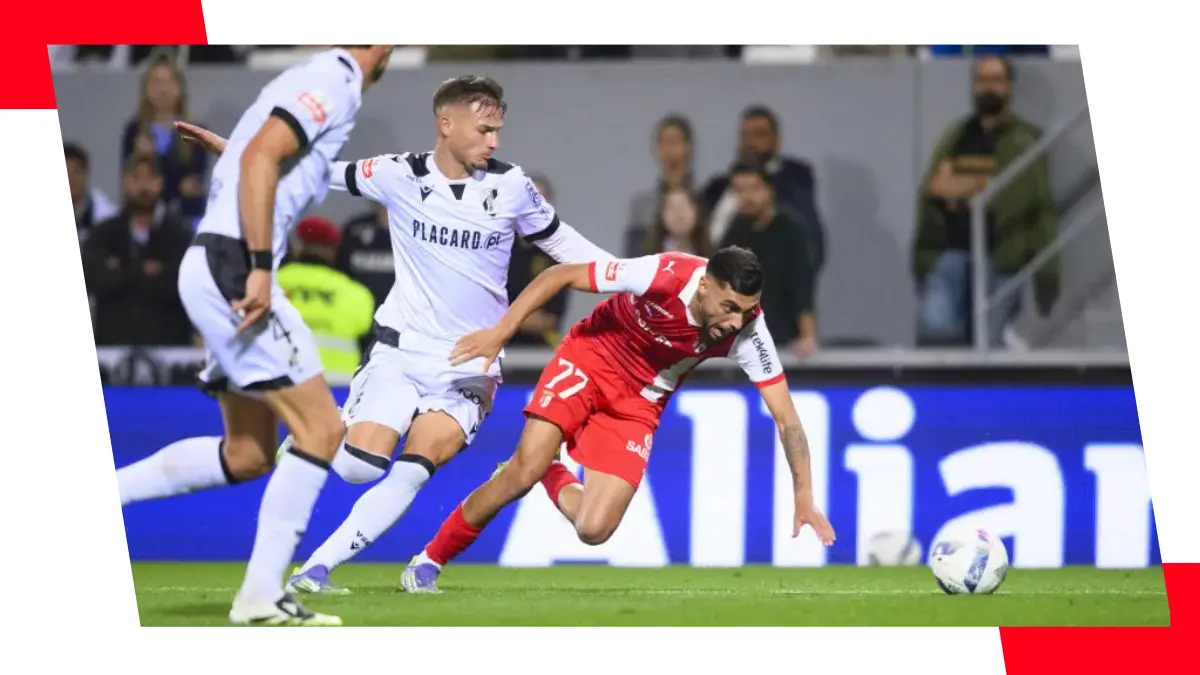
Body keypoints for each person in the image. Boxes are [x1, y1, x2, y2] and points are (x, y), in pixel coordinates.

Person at [176, 75, 614, 595]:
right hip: (400, 350)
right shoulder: (395, 174)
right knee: (360, 469)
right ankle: (309, 434)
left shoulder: (512, 186)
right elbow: (310, 169)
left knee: (413, 470)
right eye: (484, 129)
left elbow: (566, 245)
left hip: (468, 365)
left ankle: (316, 569)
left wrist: (640, 276)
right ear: (446, 124)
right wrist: (236, 150)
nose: (494, 140)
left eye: (498, 129)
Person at [113, 45, 395, 626]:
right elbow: (265, 155)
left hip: (216, 262)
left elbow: (262, 154)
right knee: (322, 427)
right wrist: (263, 265)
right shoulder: (337, 76)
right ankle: (263, 596)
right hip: (237, 266)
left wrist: (233, 149)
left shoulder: (311, 82)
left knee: (247, 455)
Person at [398, 246, 836, 593]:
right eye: (728, 306)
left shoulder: (749, 331)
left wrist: (804, 496)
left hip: (641, 401)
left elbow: (788, 420)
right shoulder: (662, 273)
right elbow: (561, 275)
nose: (736, 320)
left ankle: (554, 468)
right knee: (520, 474)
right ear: (704, 286)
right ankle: (430, 561)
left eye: (746, 309)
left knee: (594, 529)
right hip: (590, 358)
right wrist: (501, 331)